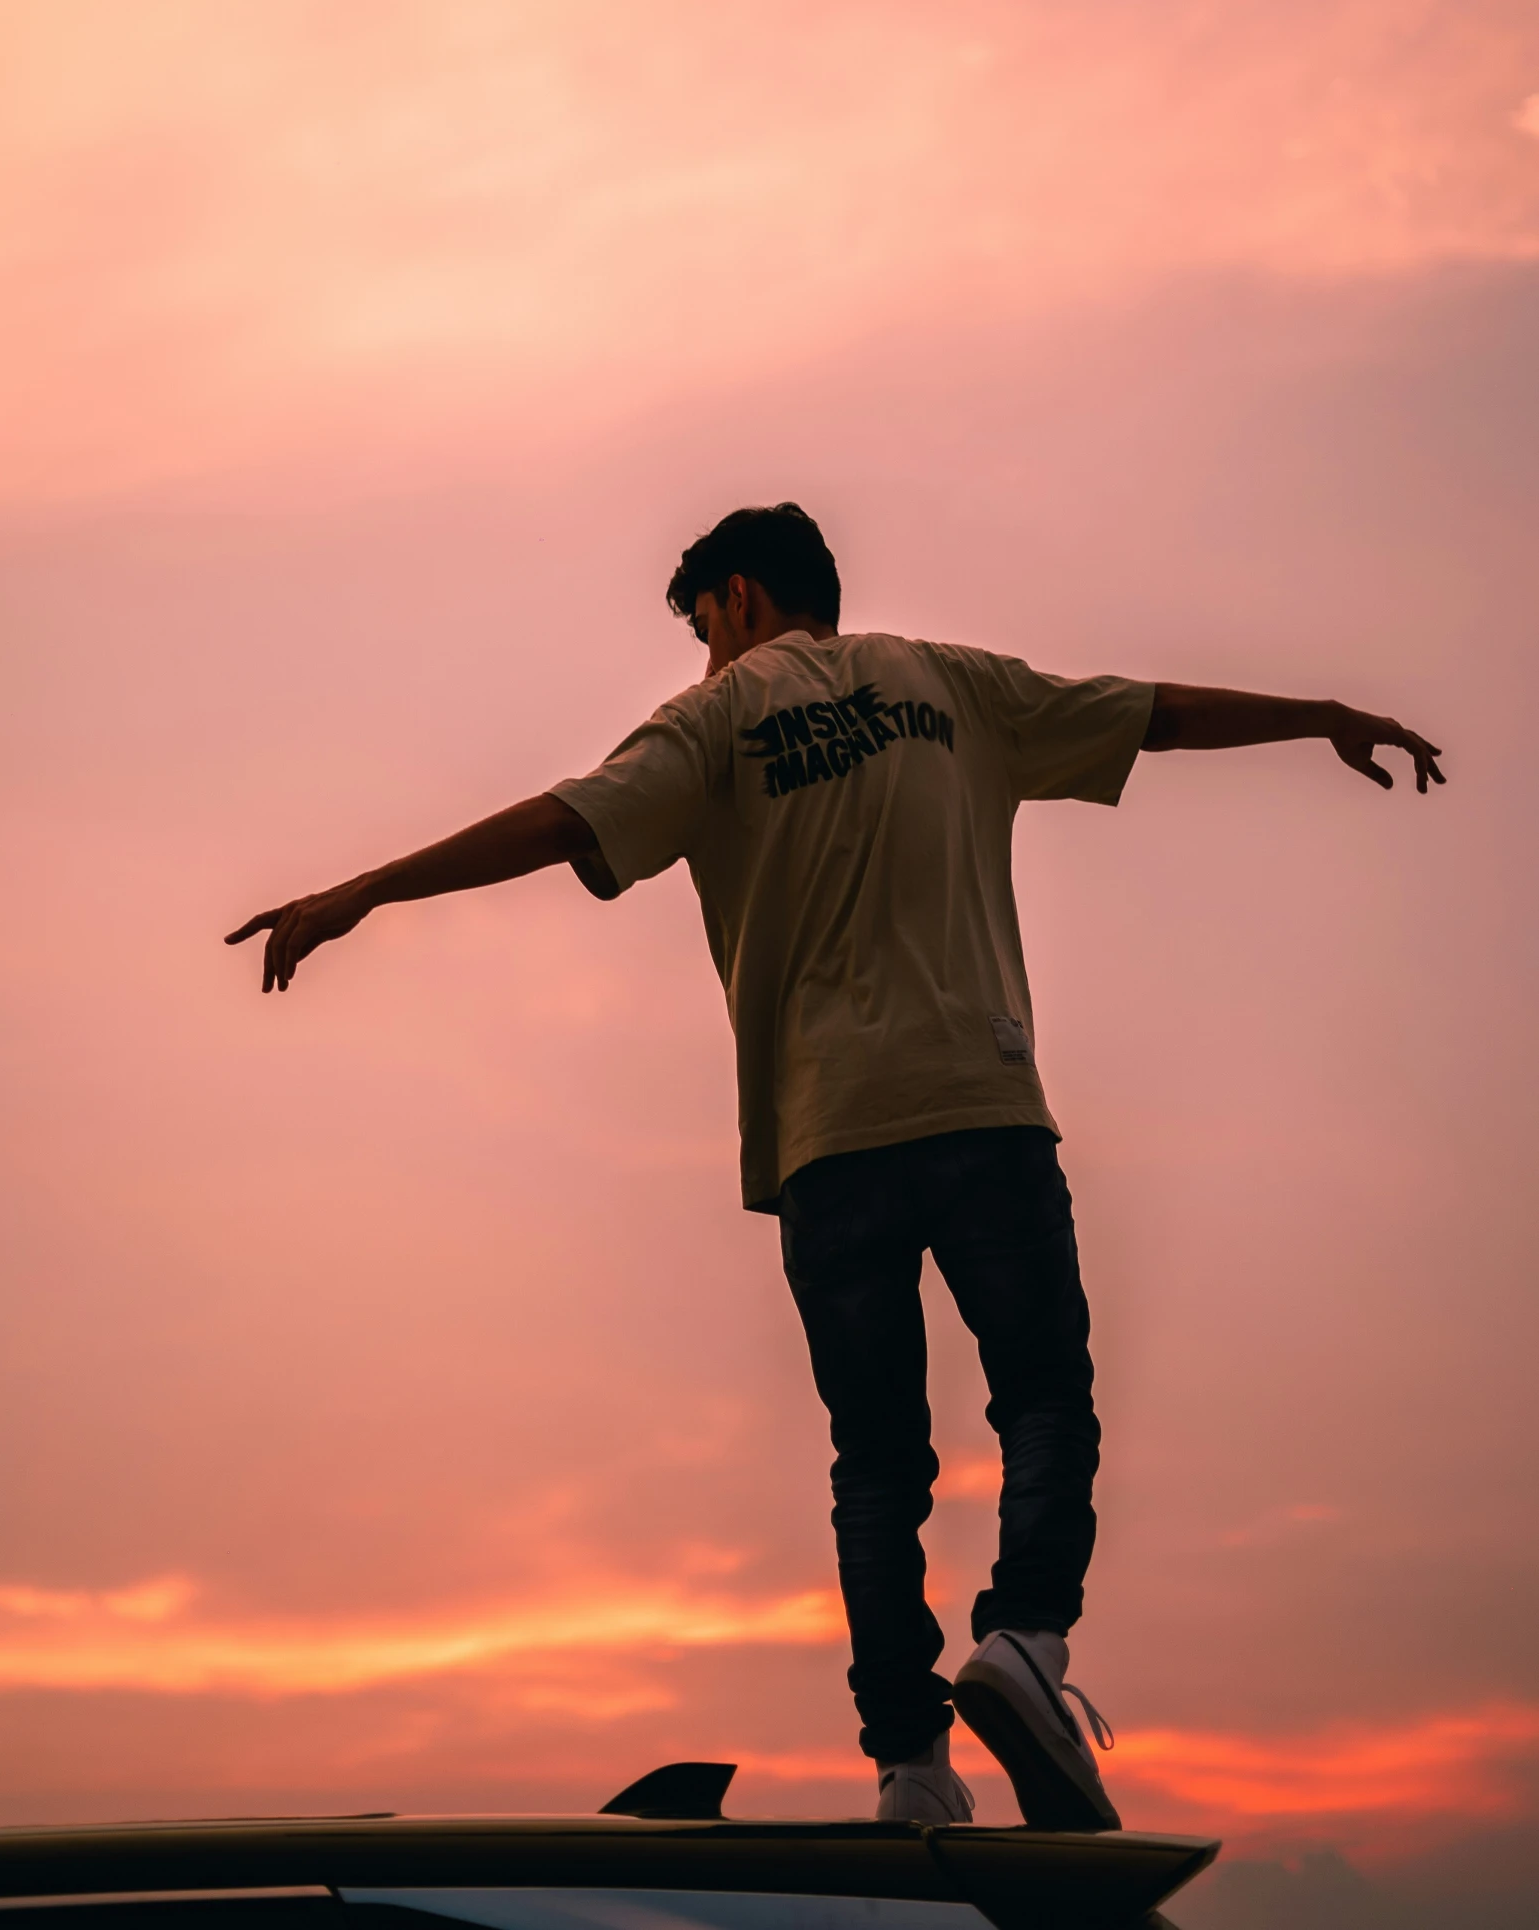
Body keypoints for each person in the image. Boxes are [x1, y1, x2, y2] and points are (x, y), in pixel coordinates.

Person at [226, 503, 1443, 1830]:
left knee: (877, 1462)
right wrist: (1322, 710)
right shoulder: (954, 684)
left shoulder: (709, 725)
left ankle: (912, 1767)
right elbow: (1153, 711)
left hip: (828, 1147)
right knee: (1042, 1395)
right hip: (980, 1108)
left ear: (738, 598)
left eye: (701, 627)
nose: (701, 659)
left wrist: (362, 891)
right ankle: (1027, 1647)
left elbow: (560, 822)